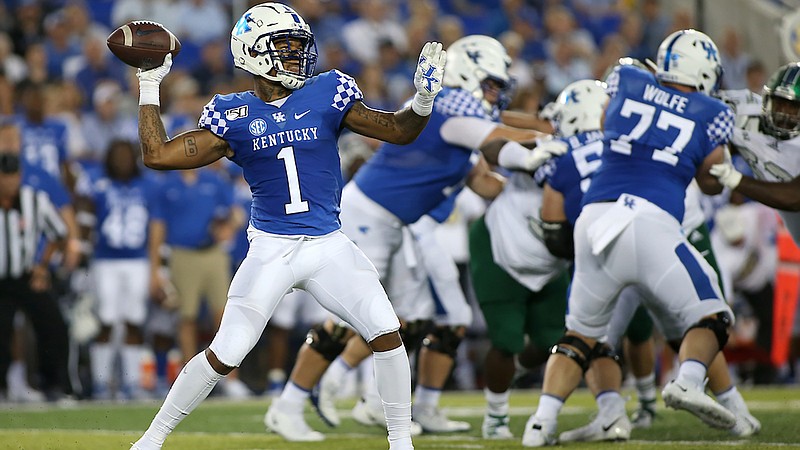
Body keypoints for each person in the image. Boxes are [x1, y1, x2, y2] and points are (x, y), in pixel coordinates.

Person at [129, 3, 446, 450]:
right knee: (228, 351)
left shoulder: (327, 92)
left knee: (386, 331)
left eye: (300, 46)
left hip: (327, 244)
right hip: (272, 248)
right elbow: (157, 155)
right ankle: (151, 439)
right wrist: (148, 86)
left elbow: (396, 130)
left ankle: (400, 443)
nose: (298, 55)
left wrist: (423, 101)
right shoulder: (230, 114)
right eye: (286, 46)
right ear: (253, 53)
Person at [265, 34, 564, 440]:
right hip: (370, 215)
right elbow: (495, 144)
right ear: (468, 75)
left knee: (407, 319)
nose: (496, 95)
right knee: (343, 320)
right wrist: (542, 146)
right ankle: (290, 404)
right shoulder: (449, 110)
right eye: (490, 84)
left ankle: (382, 405)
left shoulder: (462, 119)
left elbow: (486, 168)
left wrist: (537, 151)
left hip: (392, 224)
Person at [521, 29, 738, 447]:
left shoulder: (630, 80)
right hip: (650, 218)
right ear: (705, 71)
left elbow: (609, 126)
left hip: (595, 217)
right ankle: (689, 381)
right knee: (713, 316)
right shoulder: (712, 110)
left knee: (580, 336)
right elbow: (711, 182)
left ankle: (540, 424)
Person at [75, 139, 159, 400]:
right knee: (106, 321)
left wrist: (159, 266)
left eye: (126, 156)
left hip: (137, 260)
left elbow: (155, 228)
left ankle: (132, 382)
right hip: (105, 260)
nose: (122, 161)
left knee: (134, 320)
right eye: (117, 156)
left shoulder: (146, 185)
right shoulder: (98, 185)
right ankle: (102, 383)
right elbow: (86, 225)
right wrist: (82, 263)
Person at [0, 119, 71, 403]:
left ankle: (55, 384)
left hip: (27, 275)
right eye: (5, 176)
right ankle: (3, 386)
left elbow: (59, 233)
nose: (11, 181)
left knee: (53, 325)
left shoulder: (34, 199)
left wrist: (42, 266)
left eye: (14, 175)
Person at [711, 62, 800, 244]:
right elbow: (699, 104)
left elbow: (794, 197)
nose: (784, 114)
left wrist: (734, 179)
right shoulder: (743, 110)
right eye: (780, 104)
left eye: (794, 108)